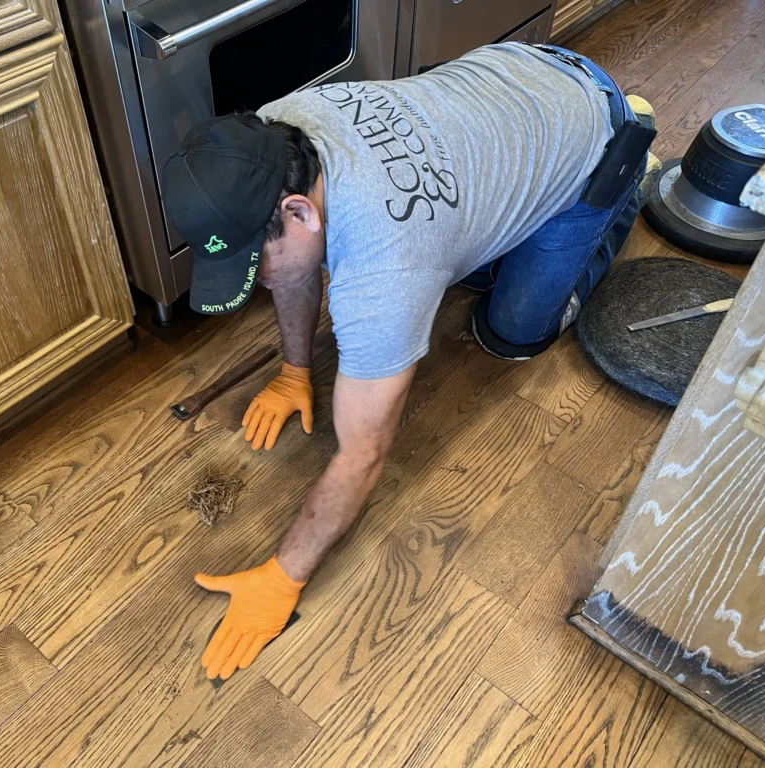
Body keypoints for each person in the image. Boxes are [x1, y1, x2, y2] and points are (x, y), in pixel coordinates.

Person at [161, 42, 657, 681]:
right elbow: (295, 269)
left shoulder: (386, 272)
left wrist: (282, 578)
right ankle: (510, 225)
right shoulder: (275, 132)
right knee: (463, 272)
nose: (258, 284)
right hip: (508, 87)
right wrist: (293, 370)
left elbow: (363, 455)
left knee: (508, 332)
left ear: (298, 210)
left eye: (254, 265)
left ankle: (628, 183)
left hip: (587, 120)